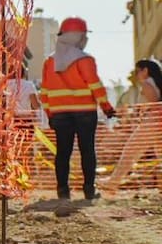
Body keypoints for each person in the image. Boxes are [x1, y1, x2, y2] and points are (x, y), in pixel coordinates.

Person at [39, 17, 115, 201]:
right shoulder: (85, 59)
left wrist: (50, 113)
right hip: (85, 113)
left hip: (59, 114)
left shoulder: (50, 61)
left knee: (63, 152)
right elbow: (95, 85)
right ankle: (89, 190)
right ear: (78, 37)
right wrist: (106, 107)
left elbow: (45, 91)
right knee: (87, 150)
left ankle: (63, 192)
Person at [106, 58, 162, 188]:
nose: (136, 75)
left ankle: (112, 183)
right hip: (156, 121)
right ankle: (112, 183)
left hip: (152, 121)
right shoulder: (155, 83)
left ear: (145, 70)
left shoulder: (147, 84)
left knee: (130, 151)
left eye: (137, 71)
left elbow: (153, 102)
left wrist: (138, 110)